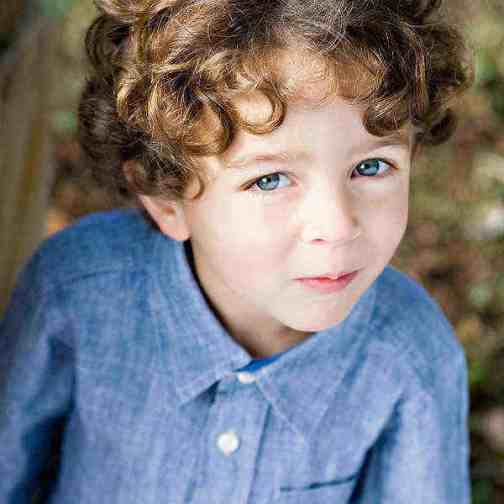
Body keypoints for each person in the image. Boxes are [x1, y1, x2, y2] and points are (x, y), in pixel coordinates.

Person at [0, 0, 474, 502]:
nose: (337, 228)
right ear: (167, 199)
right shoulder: (75, 292)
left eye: (372, 167)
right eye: (269, 179)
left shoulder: (413, 357)